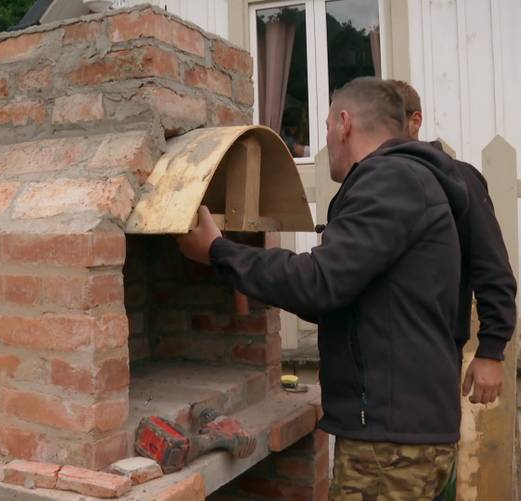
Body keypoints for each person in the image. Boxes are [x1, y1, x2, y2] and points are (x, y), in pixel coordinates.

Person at [177, 77, 469, 499]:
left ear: (344, 123)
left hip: (391, 443)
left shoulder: (388, 181)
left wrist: (219, 252)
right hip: (405, 428)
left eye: (328, 126)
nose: (327, 139)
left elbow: (320, 283)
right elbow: (336, 295)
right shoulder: (408, 181)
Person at [387, 80, 517, 406]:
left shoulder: (458, 180)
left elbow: (493, 270)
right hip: (373, 367)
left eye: (389, 120)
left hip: (432, 357)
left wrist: (491, 350)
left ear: (415, 121)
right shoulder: (367, 183)